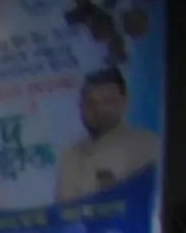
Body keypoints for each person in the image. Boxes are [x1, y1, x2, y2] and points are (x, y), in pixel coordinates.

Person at [59, 66, 160, 197]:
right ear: (80, 106)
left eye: (108, 102)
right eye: (91, 103)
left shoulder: (146, 146)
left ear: (123, 103)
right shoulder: (70, 156)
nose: (99, 110)